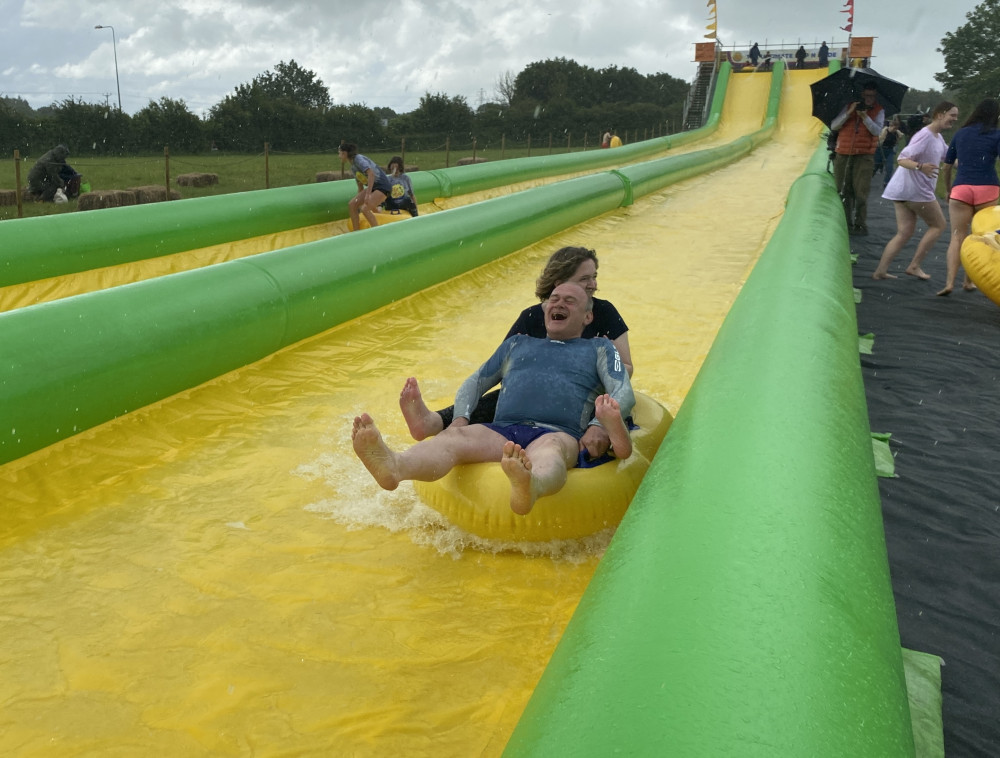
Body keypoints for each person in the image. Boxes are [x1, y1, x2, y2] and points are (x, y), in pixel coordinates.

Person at [352, 282, 634, 516]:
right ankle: (395, 467)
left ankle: (531, 485)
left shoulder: (601, 348)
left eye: (570, 301)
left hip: (557, 432)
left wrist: (598, 424)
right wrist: (461, 418)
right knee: (454, 439)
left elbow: (623, 389)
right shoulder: (517, 343)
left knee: (550, 453)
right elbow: (475, 382)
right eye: (554, 299)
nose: (558, 304)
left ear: (587, 317)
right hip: (502, 430)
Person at [399, 245, 633, 459]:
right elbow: (505, 369)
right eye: (584, 278)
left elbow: (627, 369)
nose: (592, 283)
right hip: (531, 404)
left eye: (594, 277)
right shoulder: (532, 316)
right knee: (500, 397)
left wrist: (602, 368)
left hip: (586, 394)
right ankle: (431, 422)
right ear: (559, 282)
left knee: (589, 403)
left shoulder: (603, 312)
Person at [872, 101, 959, 281]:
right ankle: (914, 265)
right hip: (916, 191)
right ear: (940, 114)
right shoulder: (925, 135)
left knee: (904, 232)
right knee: (939, 225)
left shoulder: (937, 137)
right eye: (952, 115)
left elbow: (949, 159)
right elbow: (903, 159)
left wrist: (972, 164)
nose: (955, 119)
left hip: (901, 191)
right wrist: (920, 166)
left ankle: (880, 271)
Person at [936, 98, 1000, 296]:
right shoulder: (996, 134)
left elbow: (947, 167)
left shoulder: (961, 133)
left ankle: (949, 282)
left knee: (957, 238)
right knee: (981, 237)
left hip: (961, 188)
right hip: (987, 188)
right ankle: (969, 281)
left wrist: (948, 189)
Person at [831, 83, 886, 236]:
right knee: (843, 190)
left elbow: (876, 131)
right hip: (844, 153)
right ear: (862, 95)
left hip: (864, 155)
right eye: (867, 96)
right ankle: (845, 224)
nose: (869, 99)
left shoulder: (879, 110)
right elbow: (834, 126)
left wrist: (865, 117)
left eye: (872, 96)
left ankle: (860, 224)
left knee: (861, 192)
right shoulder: (849, 106)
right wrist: (849, 112)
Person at [339, 141, 392, 231]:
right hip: (373, 188)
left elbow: (371, 174)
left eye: (339, 153)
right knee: (352, 204)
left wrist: (367, 195)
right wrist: (358, 202)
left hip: (383, 186)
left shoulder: (358, 159)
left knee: (365, 209)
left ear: (344, 153)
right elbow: (360, 188)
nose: (339, 156)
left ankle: (377, 232)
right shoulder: (353, 167)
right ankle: (356, 233)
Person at [872, 115, 903, 188]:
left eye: (896, 128)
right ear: (890, 126)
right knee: (875, 166)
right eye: (893, 127)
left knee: (889, 167)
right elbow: (879, 140)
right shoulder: (884, 131)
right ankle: (868, 178)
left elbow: (900, 137)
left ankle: (886, 182)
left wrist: (897, 132)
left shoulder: (896, 133)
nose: (894, 129)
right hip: (881, 150)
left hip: (890, 150)